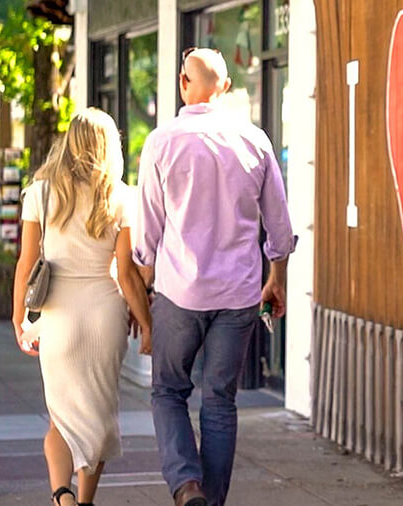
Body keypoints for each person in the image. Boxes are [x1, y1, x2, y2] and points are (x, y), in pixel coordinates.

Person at [134, 47, 294, 506]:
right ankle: (213, 500)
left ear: (183, 84)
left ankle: (187, 486)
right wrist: (276, 278)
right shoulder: (255, 141)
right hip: (239, 294)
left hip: (179, 293)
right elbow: (279, 226)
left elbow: (147, 232)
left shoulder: (162, 142)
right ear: (225, 87)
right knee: (220, 400)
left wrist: (141, 290)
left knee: (168, 391)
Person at [11, 109, 153, 506]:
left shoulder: (40, 193)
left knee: (61, 419)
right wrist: (147, 324)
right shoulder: (121, 197)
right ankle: (85, 501)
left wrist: (19, 316)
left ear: (69, 142)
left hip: (58, 317)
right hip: (105, 315)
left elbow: (26, 262)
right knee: (97, 419)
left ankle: (62, 496)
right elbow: (127, 273)